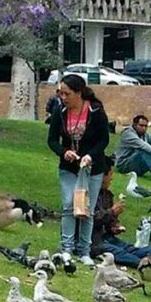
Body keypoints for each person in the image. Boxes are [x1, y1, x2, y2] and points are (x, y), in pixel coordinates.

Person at [47, 73, 110, 266]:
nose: (62, 97)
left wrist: (90, 155)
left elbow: (104, 139)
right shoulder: (60, 110)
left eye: (66, 94)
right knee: (68, 205)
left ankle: (84, 251)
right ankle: (66, 248)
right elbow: (52, 140)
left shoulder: (95, 111)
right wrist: (64, 152)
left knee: (86, 209)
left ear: (79, 93)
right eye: (60, 93)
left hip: (92, 167)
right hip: (69, 167)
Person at [91, 156, 151, 266]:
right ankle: (148, 264)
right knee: (120, 252)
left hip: (107, 237)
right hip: (94, 241)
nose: (111, 179)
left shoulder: (107, 195)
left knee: (129, 248)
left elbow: (107, 221)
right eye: (110, 175)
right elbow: (91, 220)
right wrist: (112, 212)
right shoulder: (88, 195)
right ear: (101, 176)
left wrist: (114, 225)